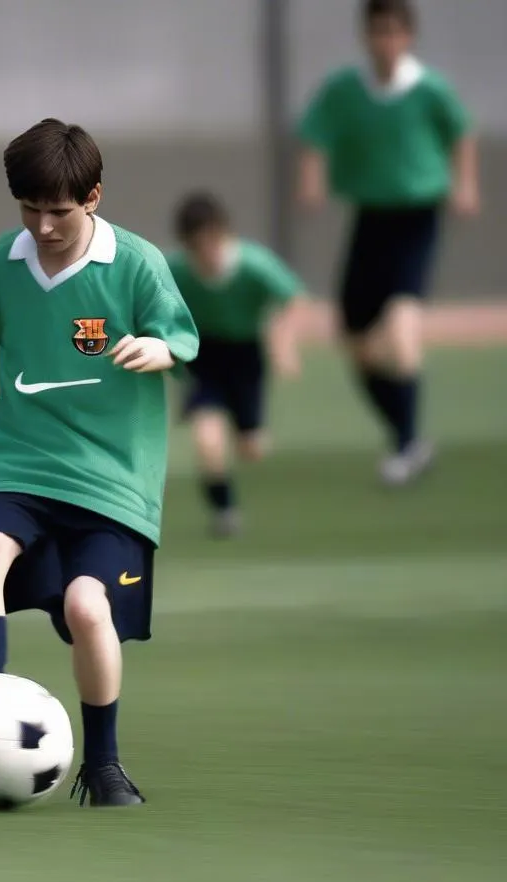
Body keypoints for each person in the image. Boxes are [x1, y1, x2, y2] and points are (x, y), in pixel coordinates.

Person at [0, 119, 198, 807]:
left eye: (59, 210)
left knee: (88, 608)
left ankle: (105, 765)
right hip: (21, 463)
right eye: (31, 209)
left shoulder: (136, 264)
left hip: (113, 480)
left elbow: (181, 335)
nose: (44, 225)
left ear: (93, 196)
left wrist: (157, 349)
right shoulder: (4, 264)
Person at [297, 0, 479, 485]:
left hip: (418, 216)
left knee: (401, 331)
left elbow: (460, 132)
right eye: (378, 32)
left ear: (409, 36)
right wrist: (312, 180)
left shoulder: (429, 89)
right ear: (366, 35)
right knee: (355, 339)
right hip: (370, 216)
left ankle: (405, 443)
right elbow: (314, 132)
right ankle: (410, 437)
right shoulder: (346, 88)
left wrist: (465, 184)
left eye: (395, 32)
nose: (386, 42)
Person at [167, 192, 307, 537]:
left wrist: (284, 343)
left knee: (252, 448)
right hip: (205, 357)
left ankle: (248, 431)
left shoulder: (253, 265)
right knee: (207, 440)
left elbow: (295, 300)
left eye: (213, 241)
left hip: (247, 357)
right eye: (198, 246)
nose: (208, 253)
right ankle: (225, 511)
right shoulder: (176, 270)